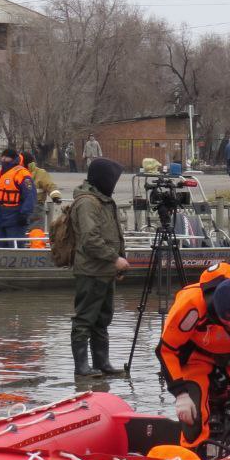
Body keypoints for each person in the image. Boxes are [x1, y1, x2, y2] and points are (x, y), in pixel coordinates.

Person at [156, 263, 230, 454]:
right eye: (225, 319)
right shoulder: (191, 305)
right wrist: (180, 393)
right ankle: (193, 454)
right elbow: (167, 350)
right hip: (197, 358)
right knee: (191, 416)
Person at [69, 157, 129, 377]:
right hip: (91, 271)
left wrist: (117, 265)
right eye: (112, 179)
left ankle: (102, 363)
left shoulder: (103, 200)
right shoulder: (87, 202)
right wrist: (115, 259)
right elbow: (90, 239)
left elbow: (113, 236)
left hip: (105, 271)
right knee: (85, 318)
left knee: (102, 319)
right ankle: (81, 368)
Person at [0, 148, 36, 247]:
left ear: (13, 159)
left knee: (15, 248)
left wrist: (24, 214)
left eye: (6, 157)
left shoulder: (21, 173)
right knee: (2, 249)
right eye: (3, 157)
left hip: (16, 218)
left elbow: (30, 195)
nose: (4, 159)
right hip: (1, 218)